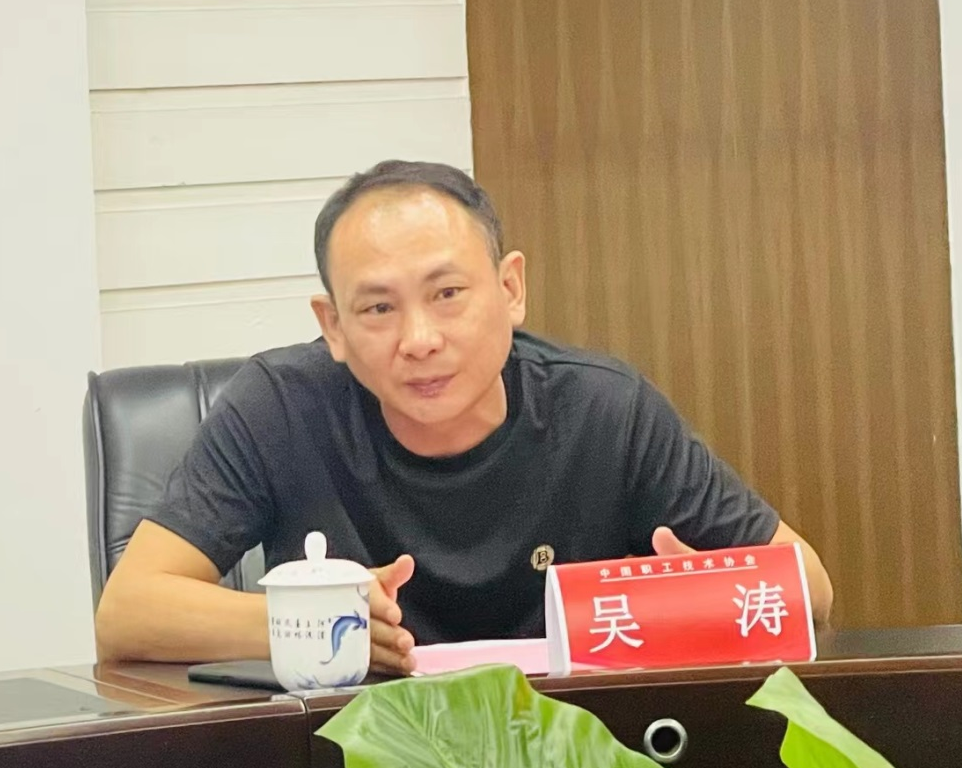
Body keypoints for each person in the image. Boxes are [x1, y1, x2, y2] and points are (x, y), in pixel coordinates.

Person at [94, 160, 833, 674]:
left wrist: (687, 600)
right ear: (333, 326)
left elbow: (811, 588)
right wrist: (322, 622)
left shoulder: (604, 409)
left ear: (511, 289)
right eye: (378, 308)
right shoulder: (280, 408)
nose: (419, 340)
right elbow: (127, 613)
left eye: (447, 294)